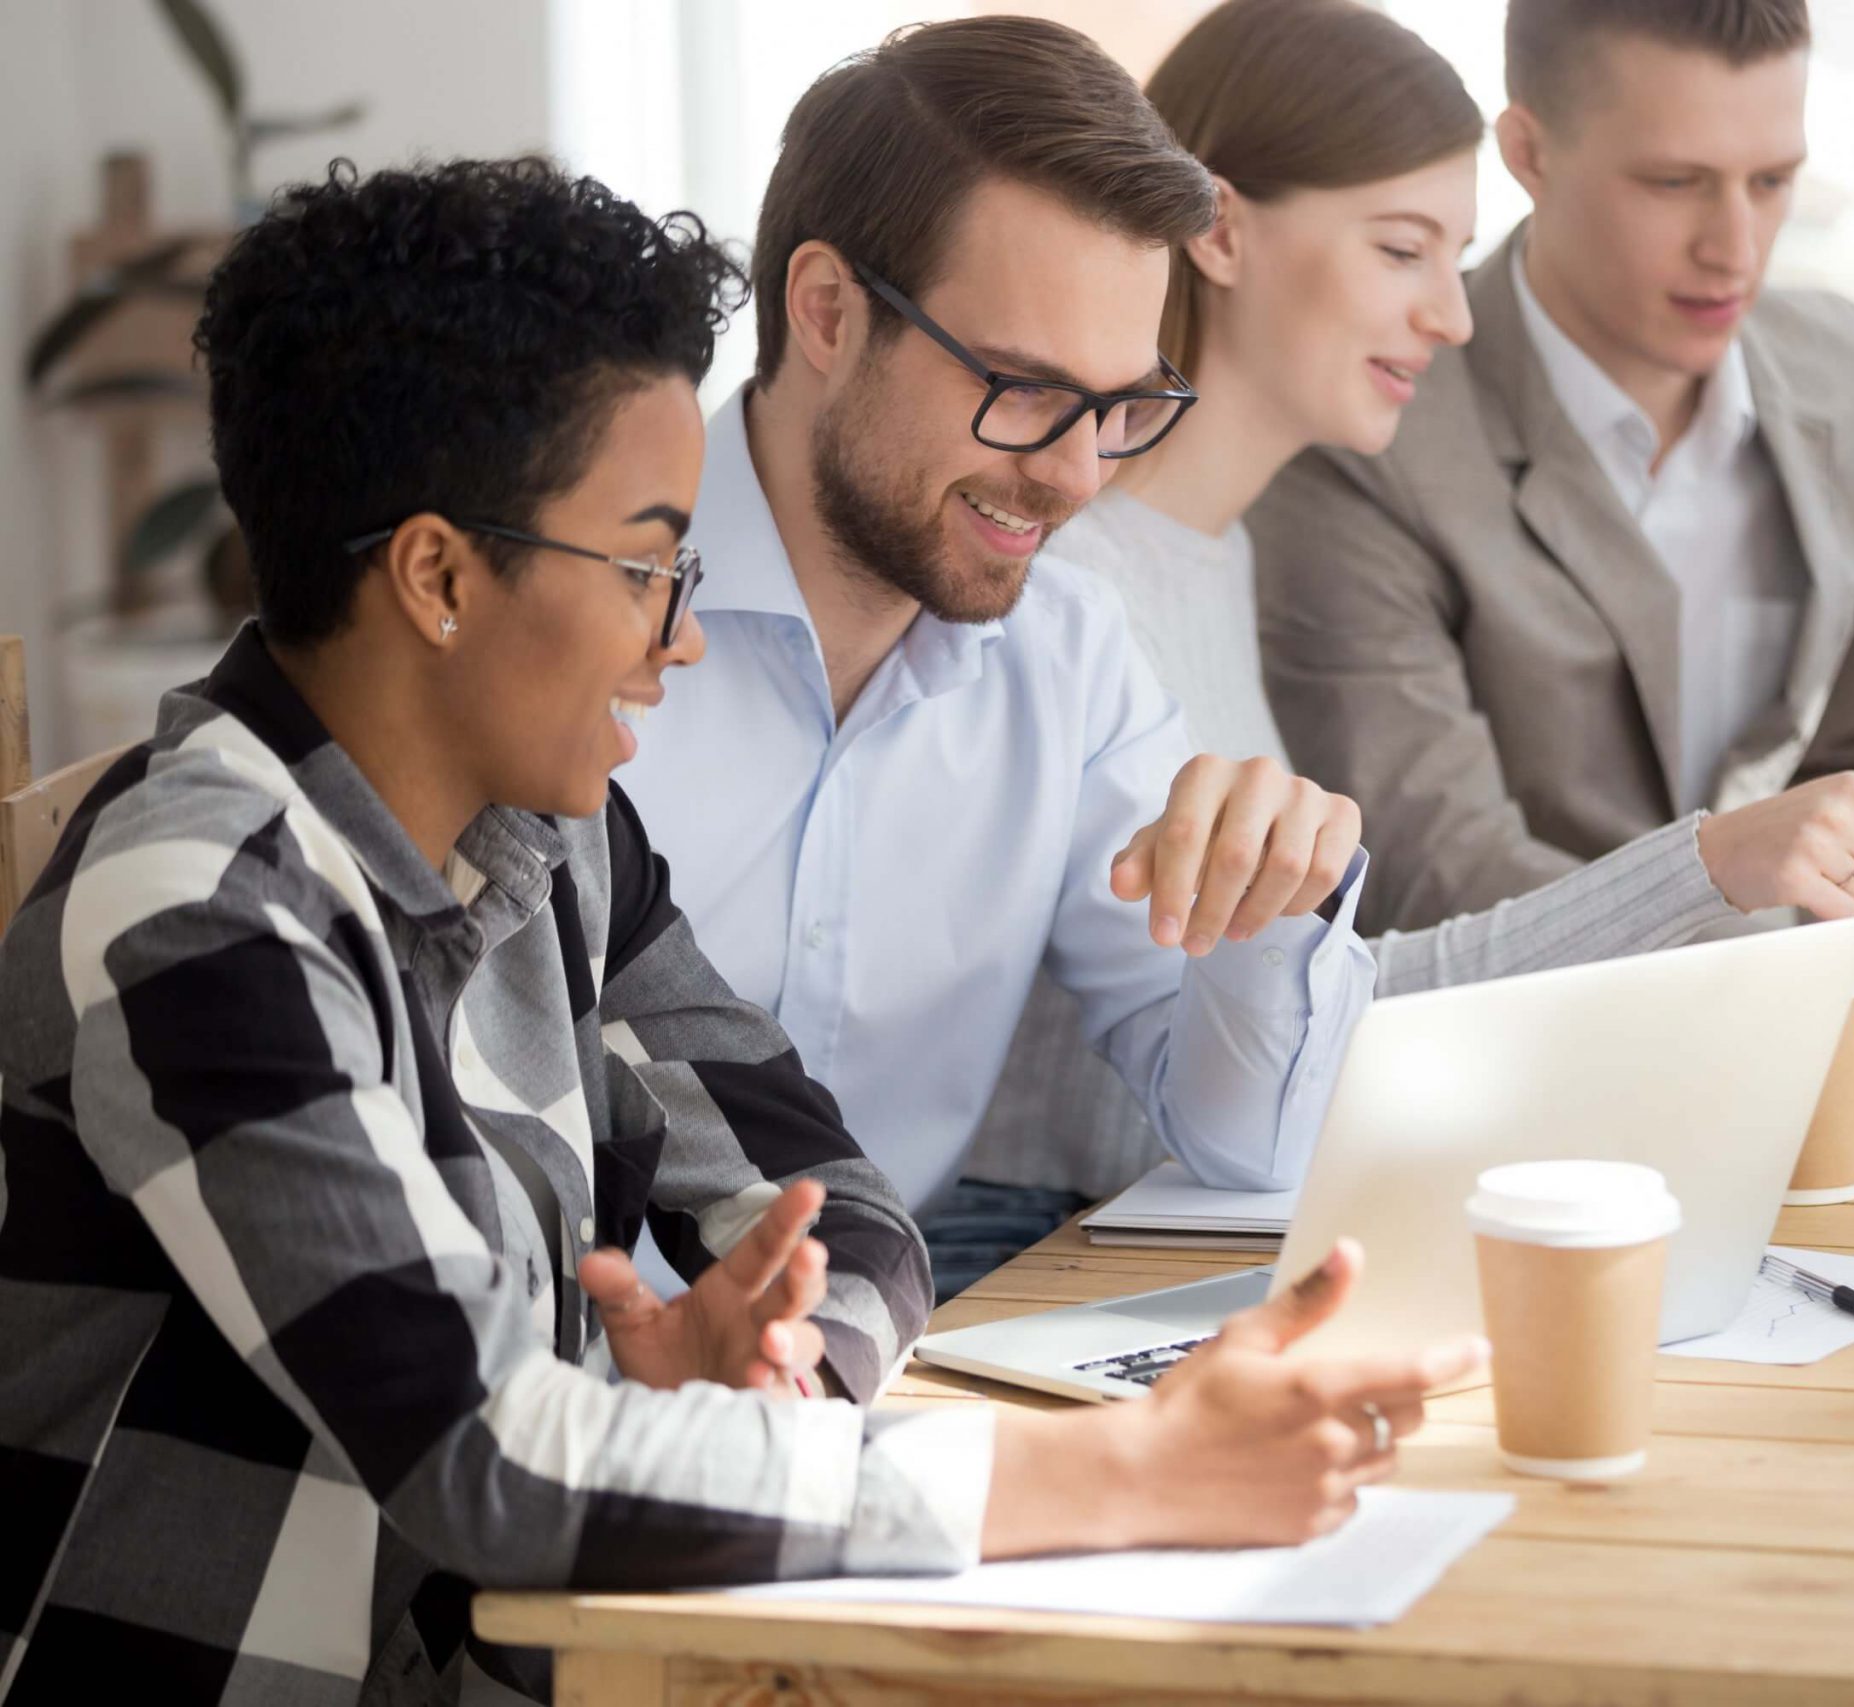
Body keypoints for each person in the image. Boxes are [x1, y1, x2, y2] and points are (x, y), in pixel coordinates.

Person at [0, 157, 1476, 1705]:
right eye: (646, 565)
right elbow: (486, 1450)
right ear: (437, 573)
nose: (683, 632)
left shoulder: (553, 834)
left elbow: (844, 1201)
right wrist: (1119, 1473)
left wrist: (766, 1389)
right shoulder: (200, 905)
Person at [967, 0, 1854, 1202]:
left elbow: (1302, 1019)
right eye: (1402, 253)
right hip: (1061, 1242)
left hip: (1231, 1212)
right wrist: (1726, 887)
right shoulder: (1084, 592)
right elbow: (1320, 1021)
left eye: (1452, 258)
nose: (1451, 316)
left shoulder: (1223, 553)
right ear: (1220, 233)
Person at [614, 17, 1380, 1298]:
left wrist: (1270, 911)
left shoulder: (1066, 654)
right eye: (1022, 389)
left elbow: (1248, 1143)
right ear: (826, 312)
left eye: (1122, 403)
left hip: (898, 1355)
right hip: (593, 1378)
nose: (1078, 475)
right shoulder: (582, 606)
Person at [1247, 0, 1854, 1050]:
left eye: (1773, 181)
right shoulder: (1372, 430)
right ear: (1528, 151)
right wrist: (1831, 1001)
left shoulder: (1846, 374)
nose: (1734, 248)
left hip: (1834, 1061)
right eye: (1673, 182)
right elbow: (1438, 873)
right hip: (1524, 1076)